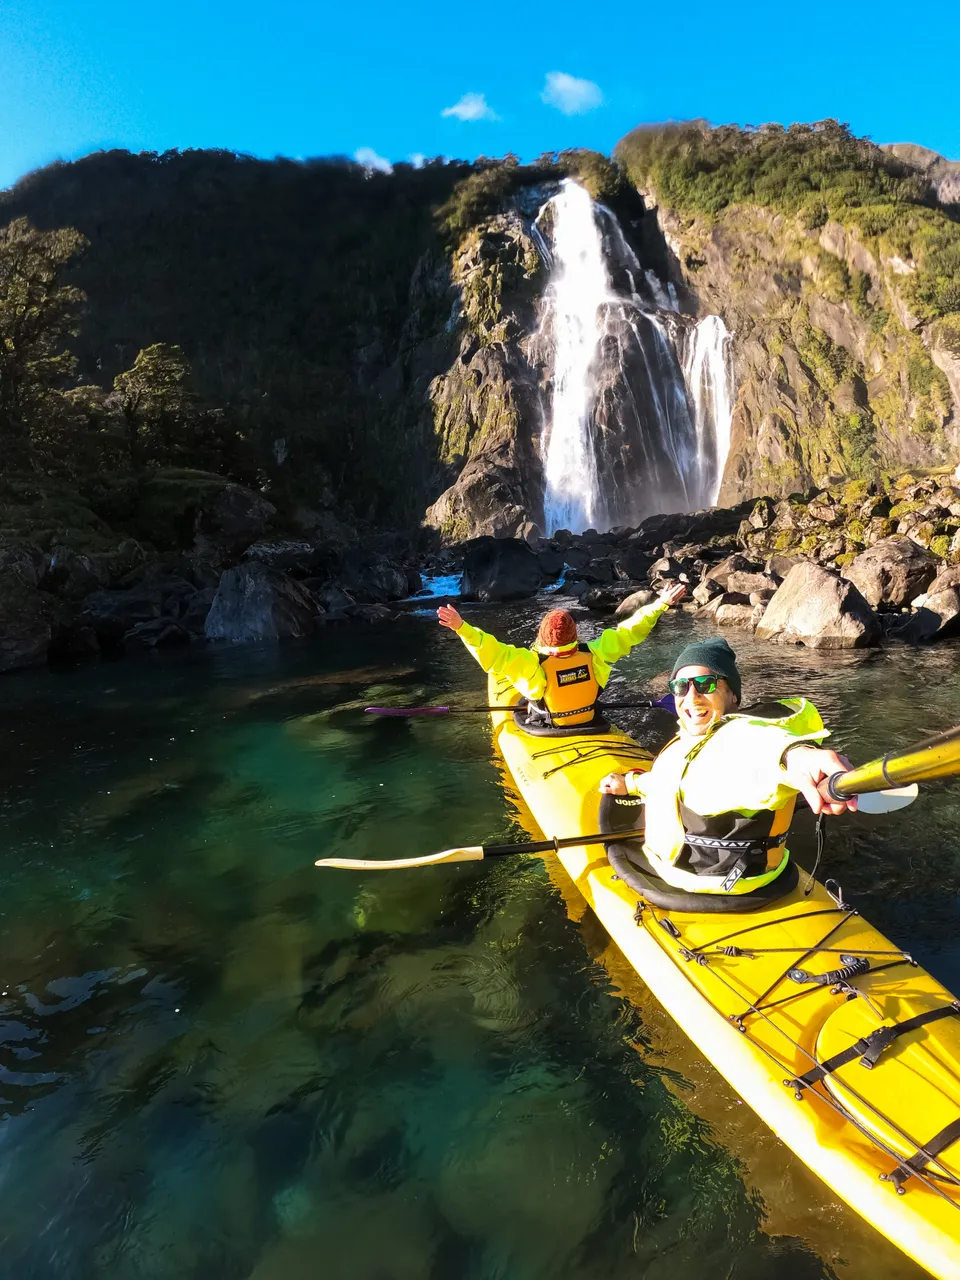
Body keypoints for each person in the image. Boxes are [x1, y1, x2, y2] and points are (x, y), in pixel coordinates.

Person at [598, 636, 856, 896]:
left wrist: (797, 757)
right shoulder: (694, 740)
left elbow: (758, 751)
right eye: (680, 687)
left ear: (732, 694)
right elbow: (675, 781)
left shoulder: (741, 733)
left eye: (705, 684)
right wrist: (631, 784)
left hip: (705, 881)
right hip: (755, 874)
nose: (692, 696)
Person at [437, 583, 686, 728]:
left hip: (550, 727)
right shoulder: (596, 653)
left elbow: (493, 652)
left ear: (543, 637)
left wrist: (462, 627)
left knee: (527, 700)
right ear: (575, 636)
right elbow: (630, 630)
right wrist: (660, 604)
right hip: (589, 722)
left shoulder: (531, 663)